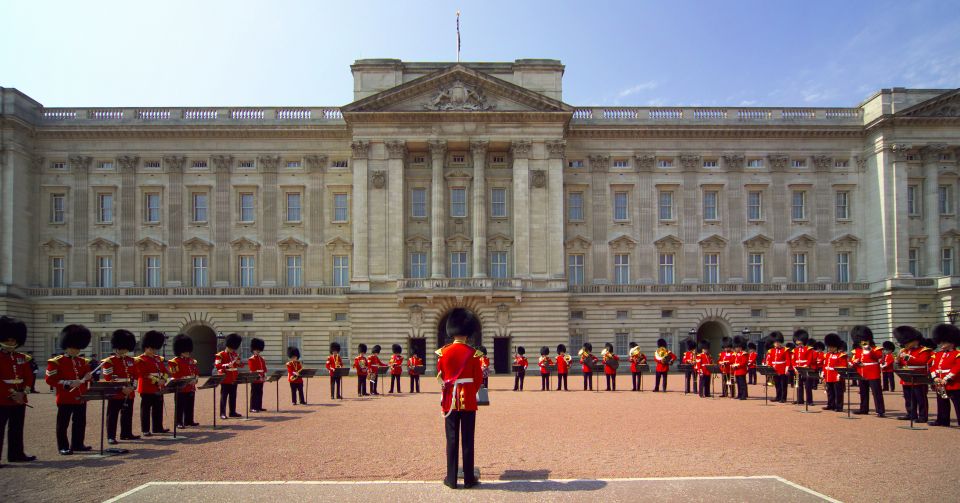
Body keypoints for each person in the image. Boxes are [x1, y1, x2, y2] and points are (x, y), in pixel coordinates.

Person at [436, 308, 483, 490]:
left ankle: (452, 478)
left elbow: (440, 375)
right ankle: (469, 479)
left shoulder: (442, 353)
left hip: (450, 401)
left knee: (452, 439)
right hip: (468, 400)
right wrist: (469, 391)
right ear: (468, 332)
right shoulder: (474, 354)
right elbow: (478, 379)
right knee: (468, 440)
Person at [46, 324, 93, 455]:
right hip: (66, 397)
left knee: (80, 423)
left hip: (81, 397)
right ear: (66, 346)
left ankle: (78, 444)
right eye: (73, 347)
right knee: (63, 424)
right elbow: (50, 380)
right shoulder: (56, 362)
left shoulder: (82, 361)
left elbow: (88, 377)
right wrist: (69, 383)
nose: (75, 350)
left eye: (78, 348)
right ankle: (63, 446)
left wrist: (88, 377)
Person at [0, 316, 36, 465]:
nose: (11, 343)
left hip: (20, 398)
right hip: (2, 398)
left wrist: (24, 392)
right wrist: (12, 393)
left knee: (17, 428)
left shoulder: (22, 358)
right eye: (8, 340)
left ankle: (16, 454)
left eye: (13, 340)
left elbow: (28, 377)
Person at [102, 329, 139, 444]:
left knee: (127, 414)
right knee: (112, 415)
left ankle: (126, 433)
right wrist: (122, 389)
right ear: (116, 348)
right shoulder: (109, 361)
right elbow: (109, 378)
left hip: (129, 392)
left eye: (125, 348)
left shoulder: (131, 360)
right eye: (121, 348)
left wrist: (132, 388)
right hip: (116, 392)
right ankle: (111, 436)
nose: (123, 351)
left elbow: (135, 376)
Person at [894, 325, 932, 423]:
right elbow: (901, 364)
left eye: (907, 342)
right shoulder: (905, 351)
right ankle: (911, 414)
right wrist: (898, 360)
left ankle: (923, 416)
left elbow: (922, 362)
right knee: (908, 398)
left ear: (915, 340)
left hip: (919, 377)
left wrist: (908, 358)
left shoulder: (924, 350)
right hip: (906, 377)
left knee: (921, 399)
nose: (905, 345)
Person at [135, 330, 169, 435]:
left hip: (158, 387)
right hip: (147, 387)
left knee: (158, 408)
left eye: (154, 348)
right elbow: (144, 374)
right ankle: (145, 429)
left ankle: (158, 427)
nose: (153, 351)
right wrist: (157, 381)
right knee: (146, 410)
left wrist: (164, 379)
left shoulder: (158, 359)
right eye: (151, 348)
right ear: (145, 348)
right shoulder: (140, 360)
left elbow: (165, 371)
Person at [851, 325, 885, 417]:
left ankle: (880, 410)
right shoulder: (857, 350)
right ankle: (864, 409)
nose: (863, 343)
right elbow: (853, 360)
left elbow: (877, 357)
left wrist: (869, 349)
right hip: (862, 373)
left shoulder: (876, 349)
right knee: (863, 392)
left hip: (873, 373)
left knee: (876, 392)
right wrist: (856, 362)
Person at [930, 324, 960, 427]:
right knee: (942, 402)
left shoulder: (957, 354)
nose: (941, 344)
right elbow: (933, 367)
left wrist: (946, 379)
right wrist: (935, 377)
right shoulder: (938, 354)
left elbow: (957, 368)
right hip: (940, 384)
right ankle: (943, 420)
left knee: (958, 404)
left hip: (953, 384)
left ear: (951, 342)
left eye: (943, 342)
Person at [169, 334, 200, 428]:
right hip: (181, 387)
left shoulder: (192, 361)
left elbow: (196, 372)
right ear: (180, 351)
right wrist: (187, 381)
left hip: (191, 386)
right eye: (185, 351)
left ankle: (189, 420)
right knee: (180, 406)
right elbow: (175, 375)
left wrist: (195, 380)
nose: (187, 353)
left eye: (188, 351)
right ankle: (178, 422)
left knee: (190, 405)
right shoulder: (174, 362)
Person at [214, 333, 244, 419]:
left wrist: (239, 363)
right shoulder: (220, 355)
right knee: (224, 396)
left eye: (233, 348)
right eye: (231, 348)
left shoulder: (234, 354)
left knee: (233, 396)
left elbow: (241, 365)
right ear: (227, 346)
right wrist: (227, 365)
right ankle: (222, 413)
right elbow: (218, 366)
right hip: (225, 379)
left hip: (234, 378)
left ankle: (232, 412)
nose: (232, 350)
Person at [821, 333, 847, 412]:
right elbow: (825, 364)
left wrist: (839, 375)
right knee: (830, 392)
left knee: (838, 392)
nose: (830, 348)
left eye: (831, 347)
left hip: (836, 376)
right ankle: (830, 405)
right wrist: (823, 372)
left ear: (836, 346)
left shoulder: (841, 355)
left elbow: (843, 366)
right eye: (829, 347)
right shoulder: (827, 355)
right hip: (829, 375)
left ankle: (839, 406)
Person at [764, 331, 790, 403]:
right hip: (775, 369)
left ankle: (783, 398)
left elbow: (788, 360)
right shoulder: (771, 350)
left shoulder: (785, 350)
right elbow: (770, 360)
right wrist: (769, 367)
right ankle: (778, 396)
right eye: (775, 342)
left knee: (783, 385)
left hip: (782, 369)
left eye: (778, 342)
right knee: (777, 384)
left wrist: (787, 369)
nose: (776, 344)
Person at [791, 330, 812, 405]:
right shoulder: (795, 350)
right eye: (797, 340)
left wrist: (805, 366)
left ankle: (809, 401)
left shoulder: (808, 349)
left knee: (807, 386)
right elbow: (793, 360)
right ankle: (800, 400)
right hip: (797, 369)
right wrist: (795, 368)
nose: (798, 342)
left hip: (805, 369)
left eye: (799, 340)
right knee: (799, 386)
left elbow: (809, 359)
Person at [247, 338, 267, 412]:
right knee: (254, 393)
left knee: (260, 392)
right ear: (253, 350)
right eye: (256, 350)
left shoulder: (261, 359)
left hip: (261, 378)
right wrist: (259, 376)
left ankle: (259, 406)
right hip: (255, 378)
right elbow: (253, 369)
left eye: (258, 350)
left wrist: (264, 375)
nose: (257, 351)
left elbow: (264, 368)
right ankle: (252, 407)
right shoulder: (251, 359)